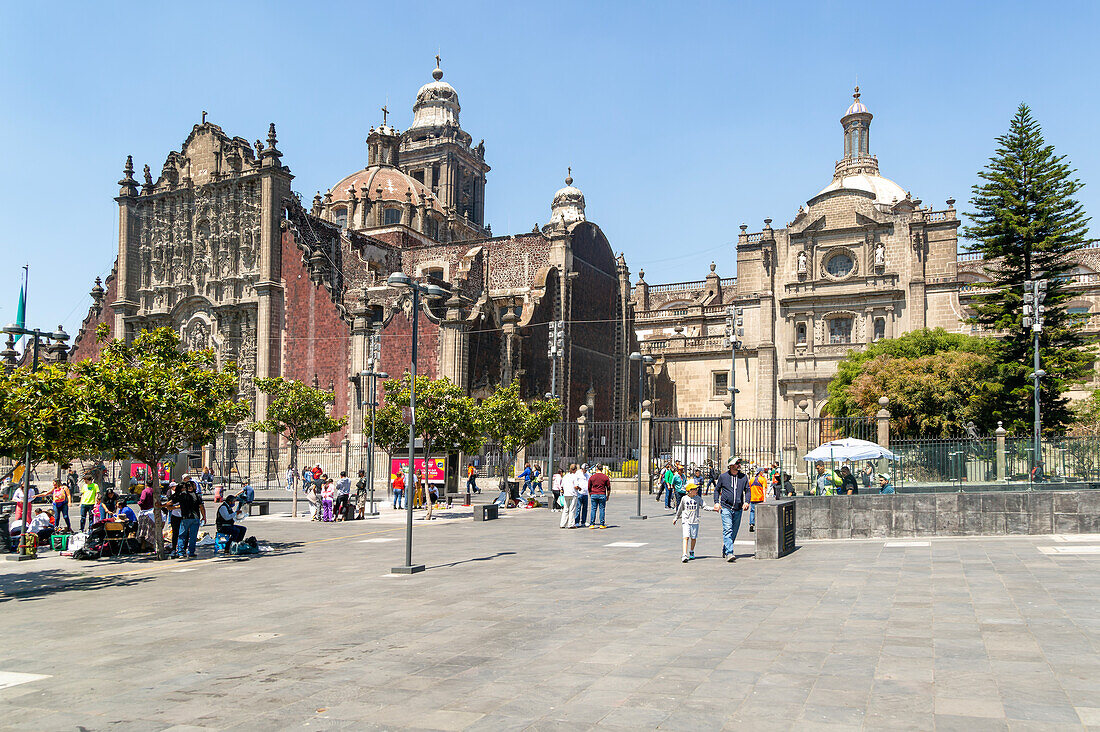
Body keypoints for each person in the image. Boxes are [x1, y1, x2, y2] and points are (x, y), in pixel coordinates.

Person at [713, 457, 750, 562]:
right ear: (731, 465)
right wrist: (716, 502)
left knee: (734, 531)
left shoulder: (743, 477)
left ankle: (726, 547)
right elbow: (717, 490)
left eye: (739, 463)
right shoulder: (723, 477)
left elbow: (747, 490)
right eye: (737, 463)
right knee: (728, 529)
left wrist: (747, 502)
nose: (739, 465)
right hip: (726, 507)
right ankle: (730, 552)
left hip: (738, 508)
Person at [172, 481, 206, 559]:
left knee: (182, 536)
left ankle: (181, 552)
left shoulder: (182, 495)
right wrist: (204, 517)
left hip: (185, 518)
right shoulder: (197, 496)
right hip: (195, 518)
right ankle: (191, 552)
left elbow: (171, 502)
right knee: (193, 536)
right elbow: (201, 507)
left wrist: (162, 505)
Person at [673, 483, 705, 562]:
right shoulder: (684, 498)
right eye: (694, 489)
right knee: (686, 537)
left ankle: (691, 551)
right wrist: (676, 518)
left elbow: (704, 506)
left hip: (695, 521)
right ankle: (684, 554)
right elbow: (680, 509)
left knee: (693, 538)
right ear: (690, 491)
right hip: (686, 520)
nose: (696, 490)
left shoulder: (698, 498)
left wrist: (714, 509)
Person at [748, 466, 768, 532]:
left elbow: (749, 488)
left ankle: (751, 523)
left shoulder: (751, 479)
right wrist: (765, 498)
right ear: (760, 472)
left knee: (752, 511)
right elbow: (764, 489)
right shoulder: (763, 479)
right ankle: (760, 524)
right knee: (761, 512)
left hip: (753, 498)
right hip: (760, 498)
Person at [559, 464, 579, 529]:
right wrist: (579, 488)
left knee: (565, 509)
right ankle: (571, 524)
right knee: (572, 509)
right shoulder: (575, 476)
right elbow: (576, 486)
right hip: (573, 494)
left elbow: (562, 486)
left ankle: (562, 524)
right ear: (575, 469)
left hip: (566, 494)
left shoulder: (566, 476)